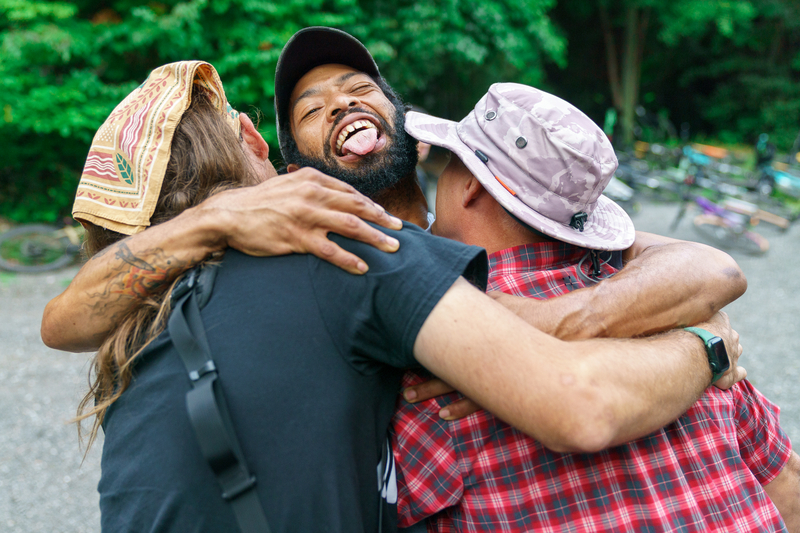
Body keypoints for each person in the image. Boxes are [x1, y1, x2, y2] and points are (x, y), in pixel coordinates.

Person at [46, 27, 749, 530]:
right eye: (309, 112)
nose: (341, 107)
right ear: (283, 166)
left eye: (358, 91)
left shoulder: (493, 209)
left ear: (413, 125)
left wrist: (569, 318)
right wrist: (706, 346)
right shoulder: (340, 246)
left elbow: (704, 262)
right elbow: (581, 403)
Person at [393, 83, 800, 532]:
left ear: (470, 185)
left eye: (451, 163)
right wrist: (706, 339)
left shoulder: (437, 343)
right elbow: (788, 490)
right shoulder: (679, 313)